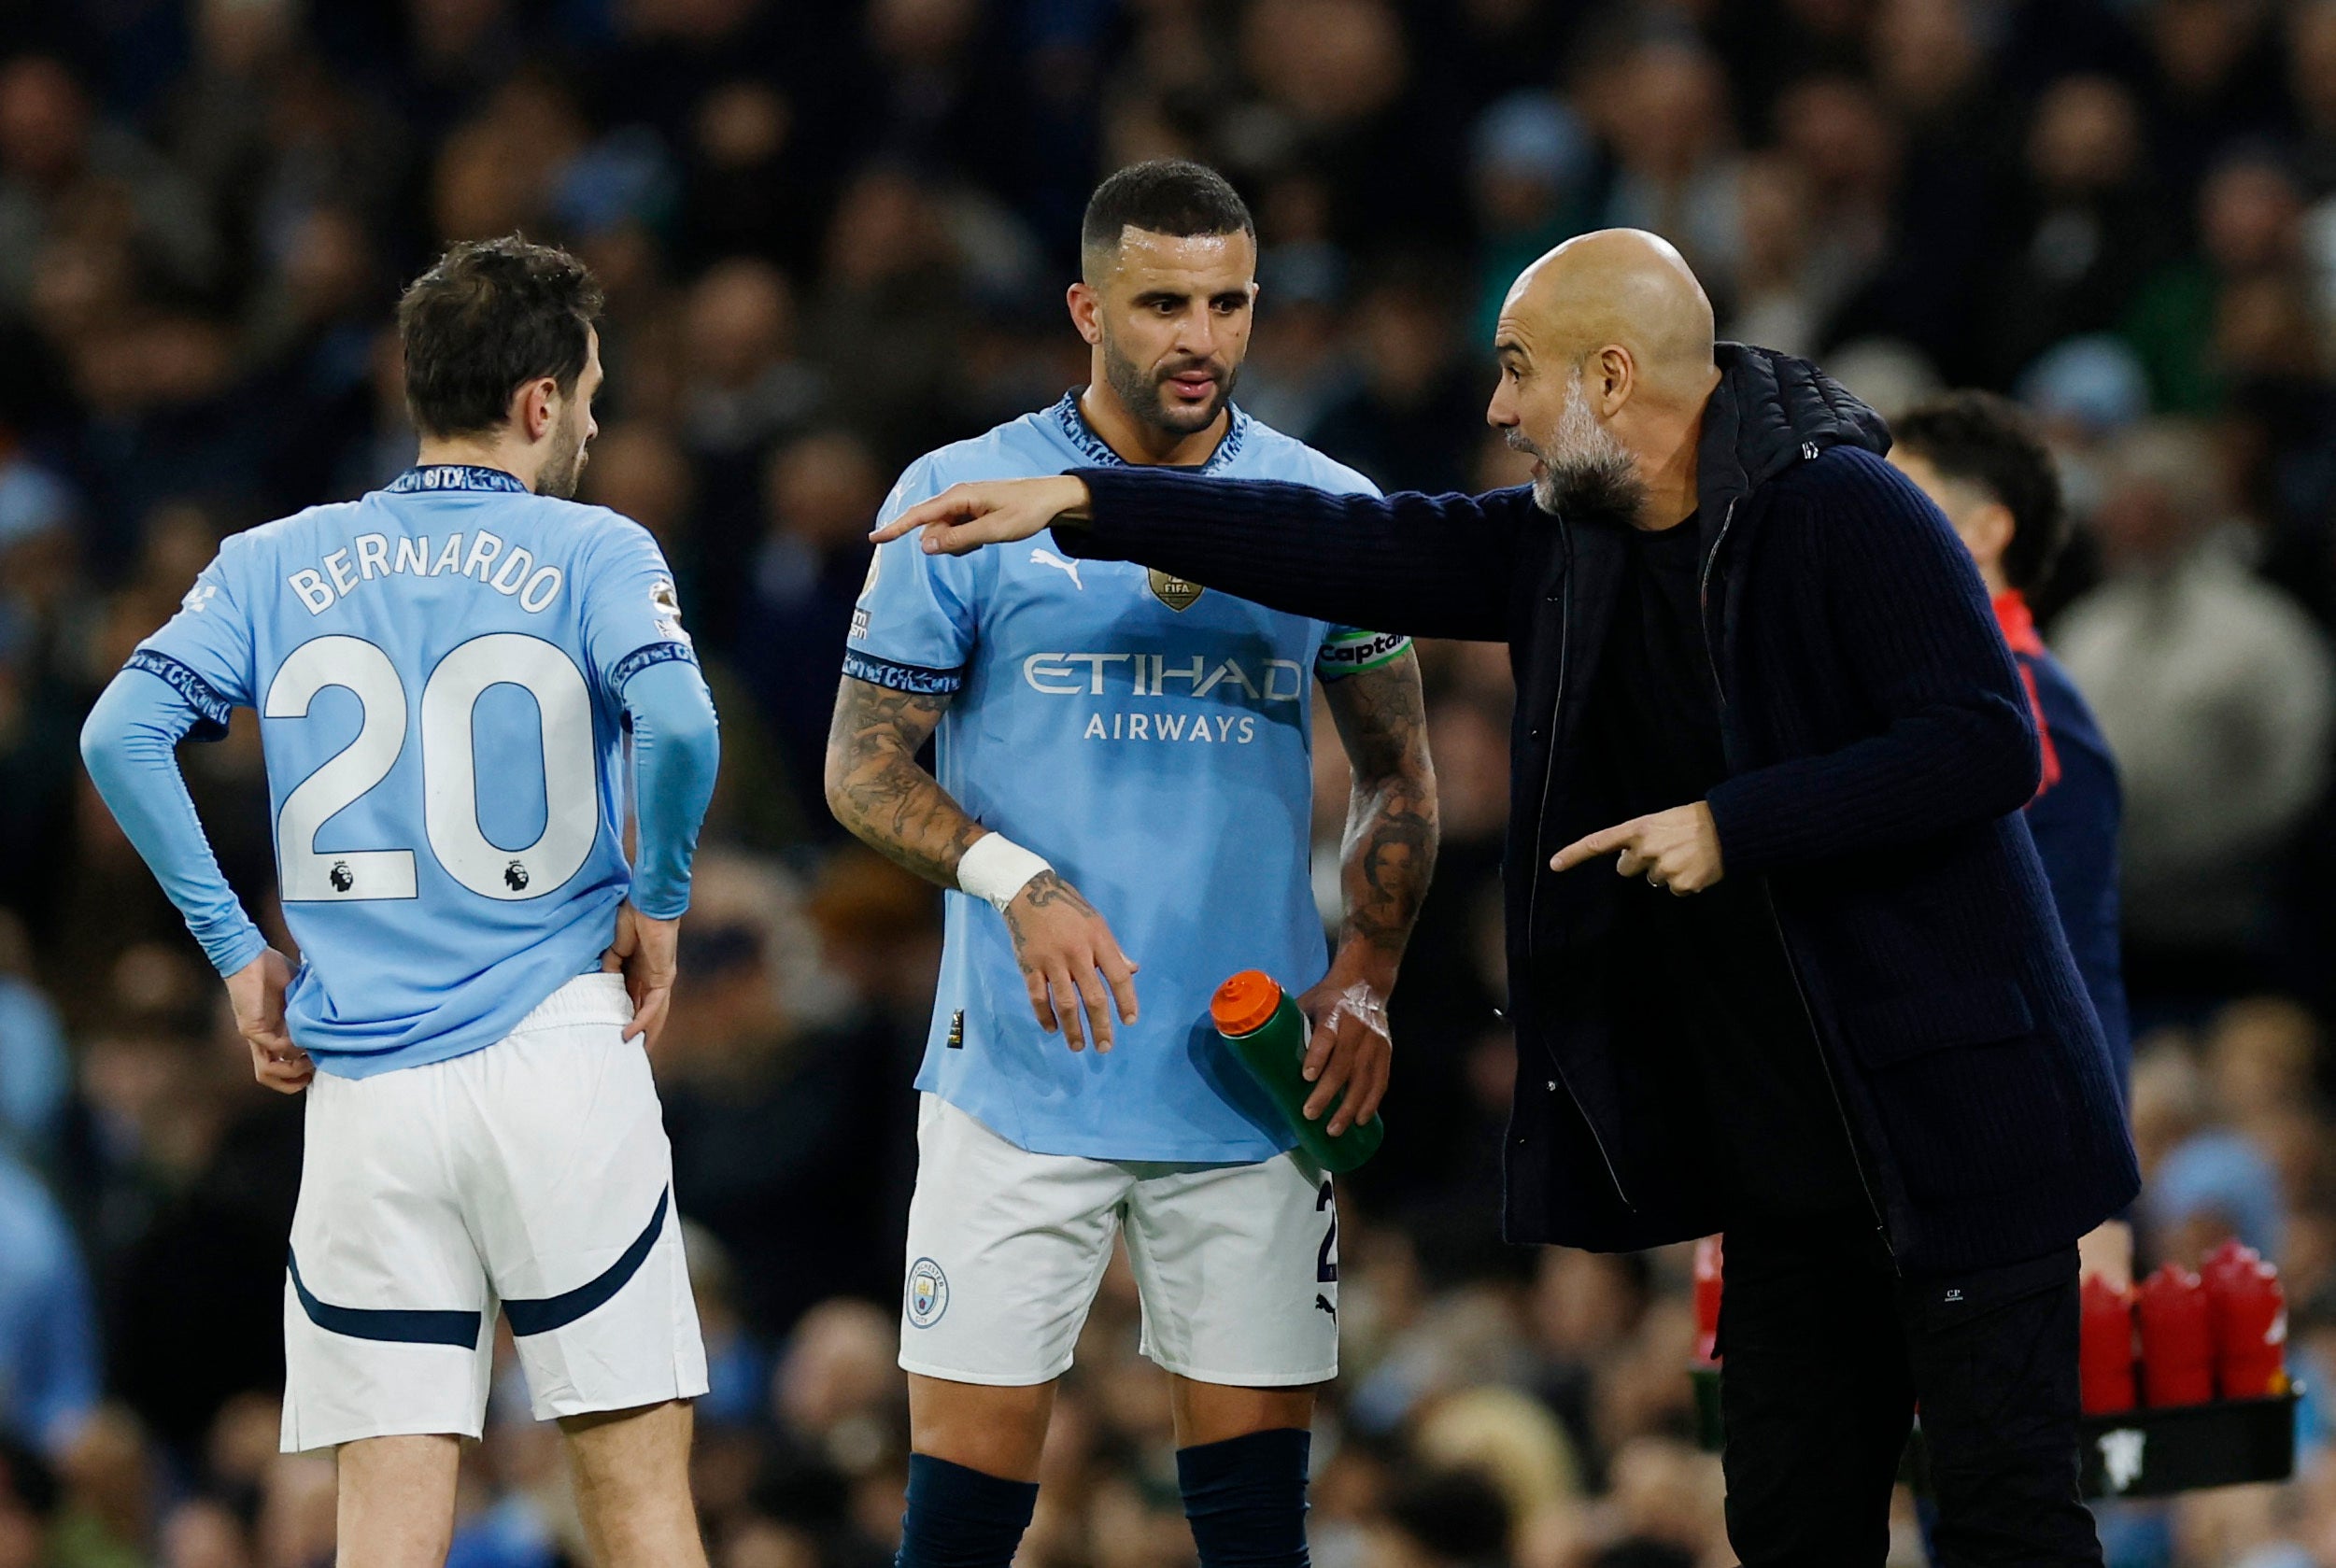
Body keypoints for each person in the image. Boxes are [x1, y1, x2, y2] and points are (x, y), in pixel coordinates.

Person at [875, 229, 2139, 1568]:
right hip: (1788, 1154)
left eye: (1519, 371)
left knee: (2005, 1519)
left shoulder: (1845, 505)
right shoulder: (1572, 542)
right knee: (1786, 1523)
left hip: (1955, 1122)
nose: (1496, 410)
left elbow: (1981, 740)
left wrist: (1735, 823)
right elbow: (1354, 546)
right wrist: (1089, 500)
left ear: (1608, 374)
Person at [824, 161, 1437, 1568]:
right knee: (960, 1527)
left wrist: (1375, 967)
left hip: (1249, 1065)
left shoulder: (1321, 508)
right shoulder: (960, 496)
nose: (1200, 337)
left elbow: (1401, 769)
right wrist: (1016, 882)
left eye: (1227, 303)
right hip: (1014, 1077)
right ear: (1087, 306)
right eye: (1164, 303)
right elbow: (862, 766)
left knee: (1252, 1534)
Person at [79, 236, 721, 1568]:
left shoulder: (270, 560)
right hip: (557, 1049)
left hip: (363, 1085)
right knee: (640, 1498)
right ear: (541, 400)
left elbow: (118, 735)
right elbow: (682, 724)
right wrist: (659, 898)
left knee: (384, 1526)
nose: (595, 418)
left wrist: (235, 951)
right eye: (590, 389)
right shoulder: (597, 547)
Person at [1890, 390, 2135, 1288]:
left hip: (2000, 1160)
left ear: (1985, 529)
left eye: (1902, 498)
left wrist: (2098, 1199)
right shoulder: (1921, 697)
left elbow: (2074, 951)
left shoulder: (2027, 709)